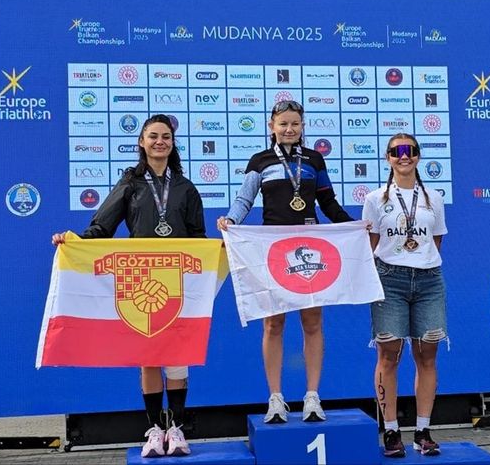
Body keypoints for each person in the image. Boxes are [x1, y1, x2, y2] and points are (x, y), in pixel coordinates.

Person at [51, 114, 206, 458]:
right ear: (141, 142)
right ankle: (154, 430)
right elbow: (102, 227)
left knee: (177, 359)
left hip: (176, 281)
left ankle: (176, 429)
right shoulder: (131, 183)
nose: (160, 142)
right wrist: (75, 241)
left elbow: (198, 238)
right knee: (149, 358)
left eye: (166, 137)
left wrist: (213, 253)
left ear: (172, 143)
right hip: (141, 281)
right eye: (153, 136)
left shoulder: (186, 188)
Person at [217, 100, 354, 424]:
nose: (289, 129)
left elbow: (328, 202)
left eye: (295, 123)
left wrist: (352, 225)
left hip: (310, 246)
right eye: (283, 124)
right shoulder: (260, 161)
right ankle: (275, 397)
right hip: (273, 249)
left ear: (302, 126)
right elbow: (244, 199)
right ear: (272, 127)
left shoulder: (314, 160)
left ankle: (312, 396)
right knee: (273, 324)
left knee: (312, 323)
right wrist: (231, 220)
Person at [362, 134, 448, 457]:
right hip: (389, 280)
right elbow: (370, 244)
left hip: (428, 281)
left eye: (410, 150)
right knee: (388, 356)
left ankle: (423, 430)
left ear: (418, 156)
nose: (404, 156)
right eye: (397, 151)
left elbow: (436, 241)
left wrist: (419, 262)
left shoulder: (433, 198)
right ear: (388, 158)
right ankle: (391, 430)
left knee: (427, 356)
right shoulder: (374, 199)